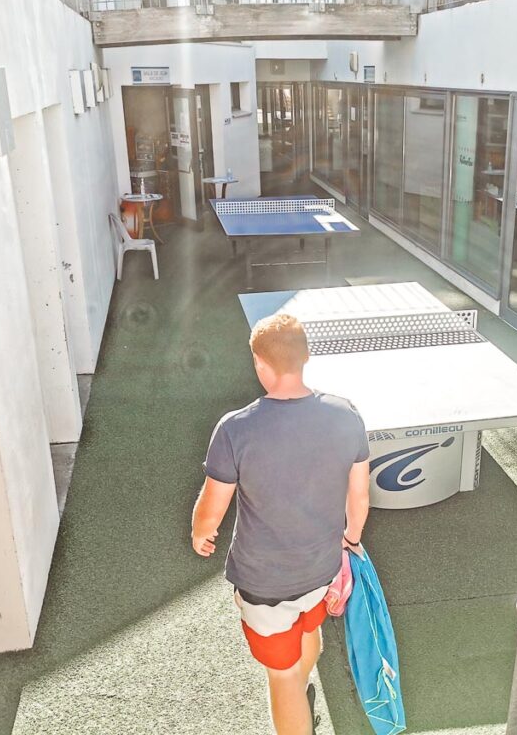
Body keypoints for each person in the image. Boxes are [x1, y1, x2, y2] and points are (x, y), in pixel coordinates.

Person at [192, 313, 371, 735]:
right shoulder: (346, 415)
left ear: (259, 364)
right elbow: (359, 496)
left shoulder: (235, 429)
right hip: (321, 569)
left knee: (283, 677)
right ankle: (302, 689)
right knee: (308, 625)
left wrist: (201, 533)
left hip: (263, 584)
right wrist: (351, 538)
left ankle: (296, 699)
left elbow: (212, 506)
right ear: (306, 356)